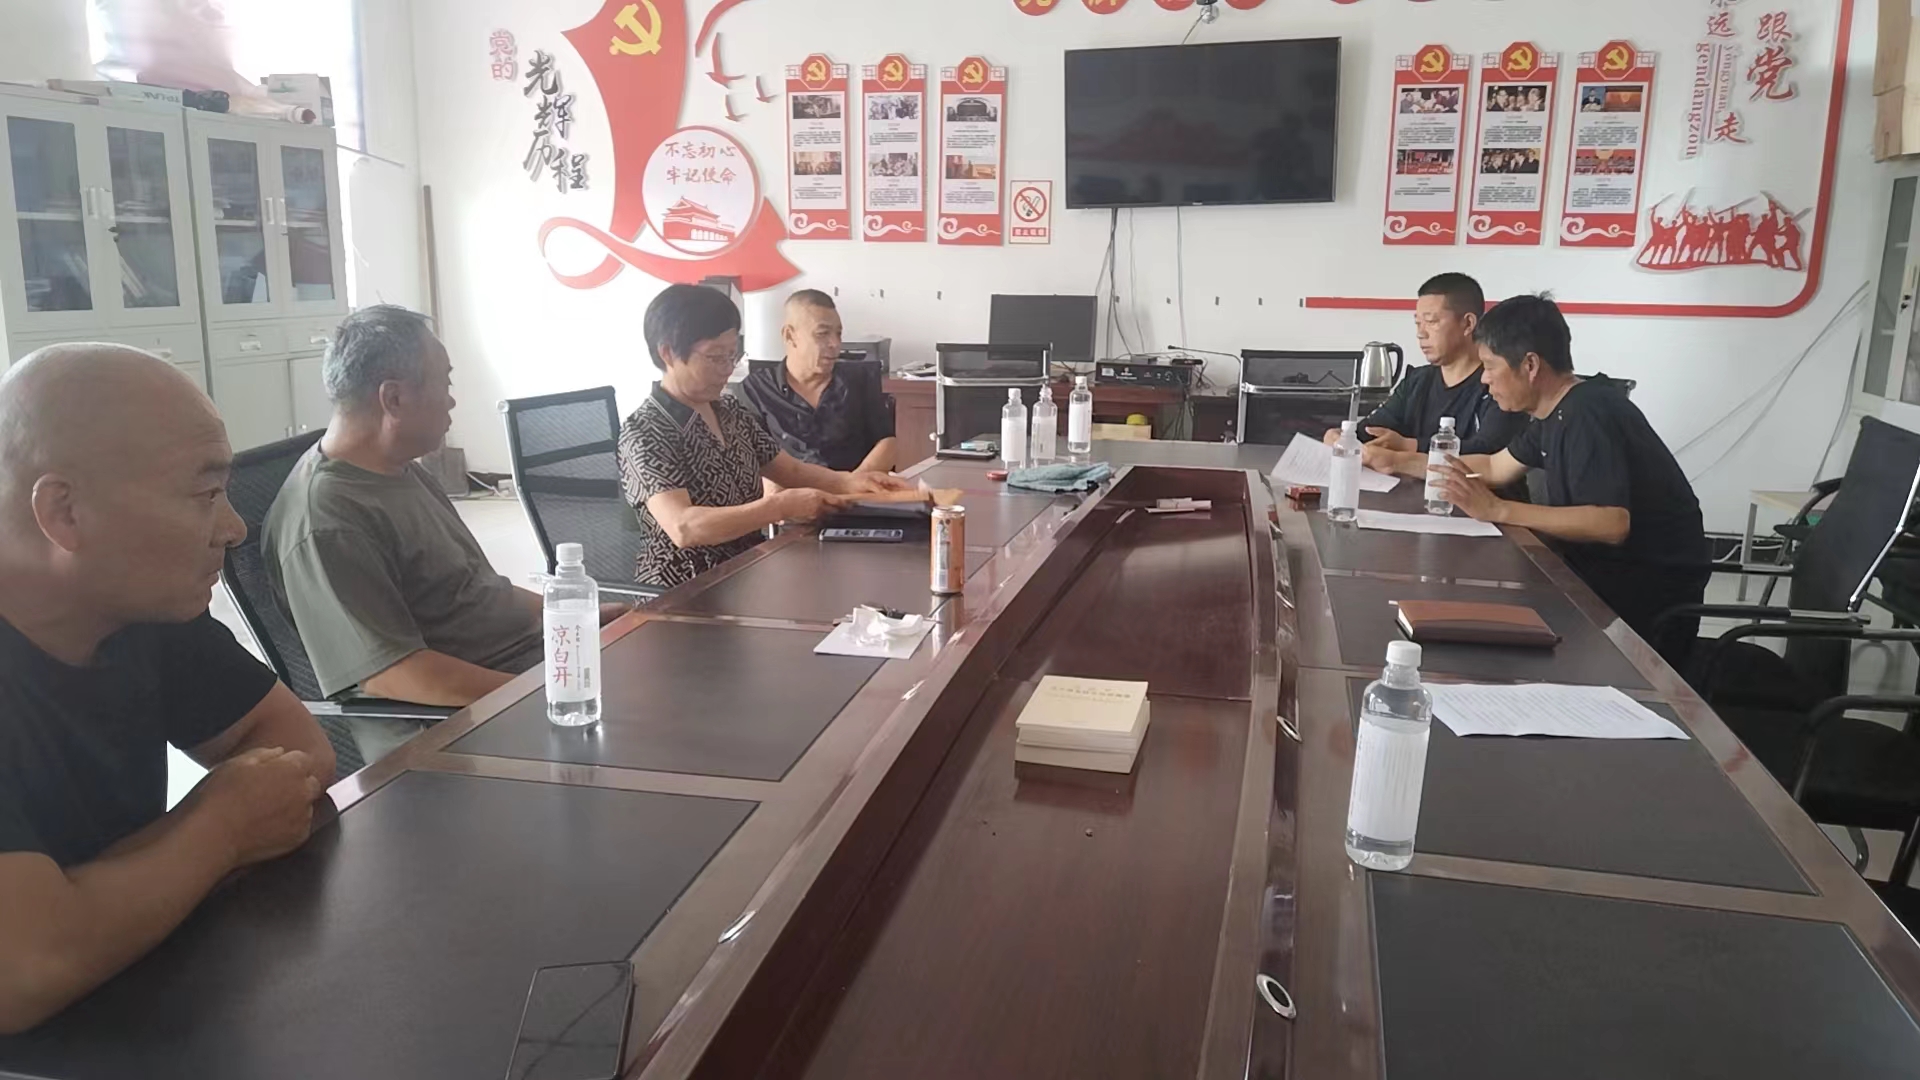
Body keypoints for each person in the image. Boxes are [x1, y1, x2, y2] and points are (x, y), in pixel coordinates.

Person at [0, 344, 334, 1034]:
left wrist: (87, 902)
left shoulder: (136, 608)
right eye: (204, 495)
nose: (235, 528)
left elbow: (297, 748)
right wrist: (221, 828)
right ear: (65, 513)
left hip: (128, 1003)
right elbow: (24, 969)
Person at [265, 306, 625, 709]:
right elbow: (397, 675)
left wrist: (569, 613)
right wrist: (546, 695)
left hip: (531, 666)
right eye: (446, 382)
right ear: (394, 398)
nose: (452, 401)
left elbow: (473, 591)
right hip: (466, 718)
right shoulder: (326, 520)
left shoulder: (399, 468)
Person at [1428, 295, 1711, 663]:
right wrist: (1405, 462)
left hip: (1641, 597)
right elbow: (1495, 467)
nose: (1484, 380)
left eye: (1490, 366)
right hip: (1596, 576)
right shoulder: (1554, 411)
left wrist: (1497, 509)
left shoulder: (1588, 413)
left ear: (1530, 365)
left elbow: (1611, 524)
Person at [619, 284, 912, 589]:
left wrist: (851, 482)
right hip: (686, 589)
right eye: (715, 357)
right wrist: (779, 507)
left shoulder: (729, 410)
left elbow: (790, 470)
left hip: (747, 570)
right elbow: (684, 527)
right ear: (667, 353)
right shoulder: (645, 431)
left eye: (732, 355)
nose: (726, 369)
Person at [1324, 273, 1525, 465]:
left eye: (1431, 322)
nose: (1421, 333)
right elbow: (1373, 430)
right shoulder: (1417, 381)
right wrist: (1341, 436)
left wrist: (1408, 446)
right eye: (1418, 323)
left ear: (1468, 323)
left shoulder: (1498, 382)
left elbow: (1489, 454)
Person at [738, 289, 897, 473]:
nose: (835, 343)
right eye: (822, 333)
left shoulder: (858, 380)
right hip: (791, 489)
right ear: (789, 336)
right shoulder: (756, 390)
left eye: (838, 333)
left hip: (856, 485)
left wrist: (851, 483)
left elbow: (887, 442)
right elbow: (753, 461)